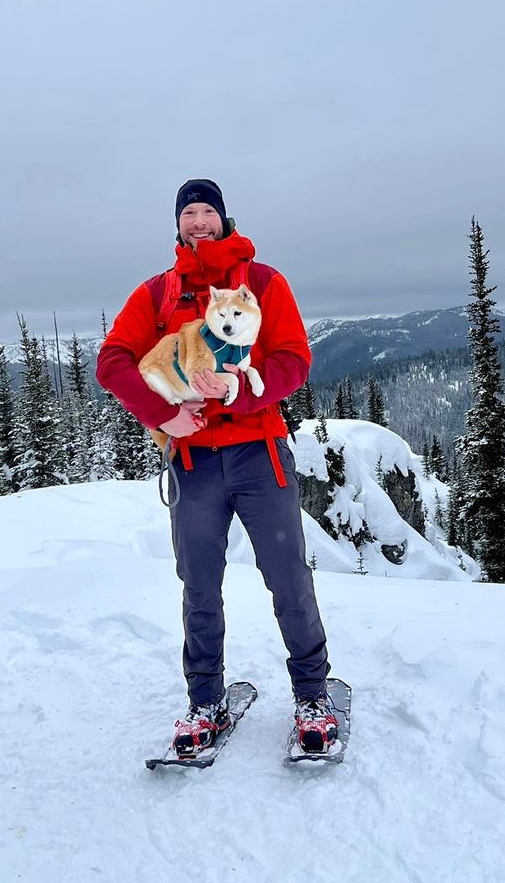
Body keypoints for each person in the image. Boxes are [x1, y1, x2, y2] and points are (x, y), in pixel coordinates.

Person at [96, 178, 337, 756]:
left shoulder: (262, 282)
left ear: (224, 218)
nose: (198, 221)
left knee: (288, 577)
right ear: (178, 224)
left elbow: (293, 360)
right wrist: (164, 414)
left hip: (260, 453)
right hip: (194, 463)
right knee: (199, 584)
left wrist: (238, 388)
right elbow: (112, 362)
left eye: (207, 211)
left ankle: (312, 694)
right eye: (189, 213)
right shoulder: (159, 291)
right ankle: (204, 702)